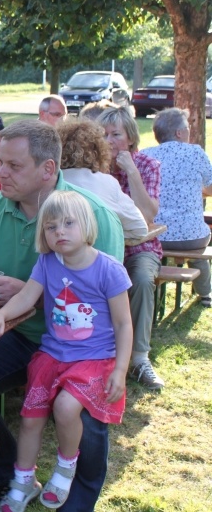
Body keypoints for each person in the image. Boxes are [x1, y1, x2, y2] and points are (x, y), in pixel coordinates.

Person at [0, 120, 125, 512]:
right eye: (0, 163)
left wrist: (26, 292)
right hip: (17, 334)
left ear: (48, 170)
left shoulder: (92, 216)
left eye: (13, 165)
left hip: (85, 346)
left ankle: (80, 496)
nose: (0, 172)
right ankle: (12, 475)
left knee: (87, 413)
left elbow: (109, 306)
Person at [0, 191, 132, 511]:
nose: (59, 231)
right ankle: (22, 483)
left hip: (93, 359)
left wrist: (120, 370)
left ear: (87, 225)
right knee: (30, 418)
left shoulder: (109, 269)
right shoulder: (47, 262)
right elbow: (26, 297)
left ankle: (65, 467)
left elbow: (123, 325)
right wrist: (1, 315)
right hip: (52, 356)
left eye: (68, 223)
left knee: (64, 407)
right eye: (50, 227)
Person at [97, 105, 164, 390]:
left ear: (131, 139)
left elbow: (148, 217)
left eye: (116, 135)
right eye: (103, 135)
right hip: (100, 246)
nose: (109, 141)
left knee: (141, 279)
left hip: (140, 246)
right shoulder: (93, 168)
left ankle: (139, 358)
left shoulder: (148, 166)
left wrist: (131, 173)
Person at [141, 108, 212, 307]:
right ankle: (205, 294)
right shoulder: (195, 152)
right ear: (179, 133)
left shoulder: (146, 155)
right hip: (192, 237)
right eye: (187, 127)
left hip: (154, 236)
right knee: (199, 250)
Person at [58, 119, 148, 241]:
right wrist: (106, 233)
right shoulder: (107, 182)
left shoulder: (49, 182)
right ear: (99, 151)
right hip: (100, 255)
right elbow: (139, 228)